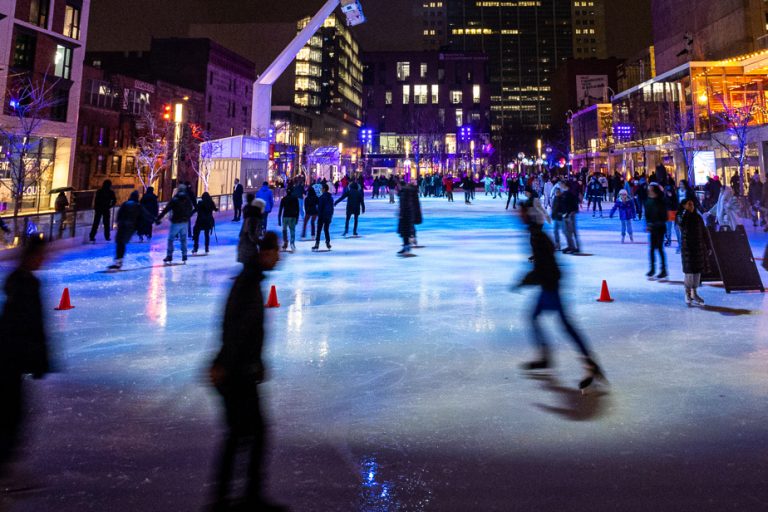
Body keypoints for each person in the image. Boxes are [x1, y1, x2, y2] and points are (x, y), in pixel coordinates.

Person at [208, 232, 288, 512]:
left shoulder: (251, 279)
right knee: (249, 433)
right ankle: (235, 498)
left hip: (240, 368)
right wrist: (225, 363)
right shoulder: (247, 282)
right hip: (236, 372)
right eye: (276, 251)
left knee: (243, 434)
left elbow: (244, 328)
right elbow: (234, 326)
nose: (279, 256)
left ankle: (232, 497)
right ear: (265, 253)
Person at [516, 207, 605, 391]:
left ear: (528, 216)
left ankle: (588, 363)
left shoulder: (536, 236)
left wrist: (526, 279)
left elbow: (544, 265)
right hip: (550, 283)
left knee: (563, 324)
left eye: (521, 214)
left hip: (550, 285)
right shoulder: (536, 233)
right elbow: (546, 257)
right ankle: (549, 356)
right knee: (537, 318)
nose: (518, 217)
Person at [0, 235, 50, 478]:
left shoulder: (23, 282)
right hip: (11, 359)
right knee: (12, 414)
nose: (45, 259)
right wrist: (37, 359)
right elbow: (27, 324)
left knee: (13, 413)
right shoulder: (25, 285)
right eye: (42, 254)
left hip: (12, 358)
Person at [679, 199, 709, 306]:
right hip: (688, 249)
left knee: (697, 272)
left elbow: (704, 232)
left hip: (698, 248)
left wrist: (708, 245)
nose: (691, 206)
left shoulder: (698, 217)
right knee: (689, 273)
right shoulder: (683, 217)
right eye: (688, 205)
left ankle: (694, 293)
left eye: (692, 204)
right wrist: (685, 213)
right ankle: (687, 293)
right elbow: (681, 226)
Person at [156, 184, 194, 264]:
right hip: (185, 222)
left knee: (171, 239)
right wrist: (187, 217)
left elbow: (166, 209)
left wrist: (158, 218)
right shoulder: (187, 199)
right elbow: (191, 209)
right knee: (183, 239)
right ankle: (184, 255)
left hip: (176, 222)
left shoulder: (175, 199)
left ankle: (169, 255)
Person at [108, 191, 146, 270]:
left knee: (120, 243)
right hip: (130, 227)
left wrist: (118, 222)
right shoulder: (138, 205)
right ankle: (119, 260)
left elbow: (119, 213)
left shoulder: (126, 204)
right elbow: (145, 215)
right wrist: (155, 220)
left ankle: (118, 260)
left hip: (123, 225)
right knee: (122, 243)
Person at [645, 184, 668, 279]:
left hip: (660, 228)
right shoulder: (648, 201)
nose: (649, 191)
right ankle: (652, 269)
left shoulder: (661, 201)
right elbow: (647, 215)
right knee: (651, 249)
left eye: (651, 189)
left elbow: (664, 216)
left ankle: (663, 270)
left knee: (659, 248)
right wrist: (648, 224)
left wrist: (657, 223)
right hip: (653, 228)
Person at [397, 181, 422, 256]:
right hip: (407, 214)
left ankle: (408, 247)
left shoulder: (405, 193)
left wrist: (402, 213)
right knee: (405, 232)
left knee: (406, 231)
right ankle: (406, 246)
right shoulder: (405, 193)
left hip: (406, 215)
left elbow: (406, 205)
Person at [313, 183, 334, 252]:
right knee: (326, 229)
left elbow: (320, 208)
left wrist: (317, 211)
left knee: (319, 230)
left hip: (322, 216)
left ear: (324, 189)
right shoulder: (330, 198)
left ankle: (317, 243)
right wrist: (331, 216)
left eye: (322, 189)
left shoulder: (321, 197)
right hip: (328, 215)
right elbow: (332, 208)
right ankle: (328, 242)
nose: (321, 190)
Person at [277, 188, 300, 252]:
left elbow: (281, 209)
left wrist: (279, 218)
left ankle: (285, 243)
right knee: (292, 230)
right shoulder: (295, 199)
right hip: (293, 216)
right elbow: (298, 209)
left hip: (285, 216)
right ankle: (292, 243)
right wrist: (297, 217)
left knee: (284, 230)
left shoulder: (283, 199)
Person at [561, 182, 580, 254]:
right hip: (566, 214)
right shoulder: (565, 194)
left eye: (562, 185)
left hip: (570, 215)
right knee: (566, 231)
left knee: (571, 231)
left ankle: (575, 247)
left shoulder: (570, 193)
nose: (561, 186)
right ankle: (570, 246)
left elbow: (574, 204)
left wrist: (571, 212)